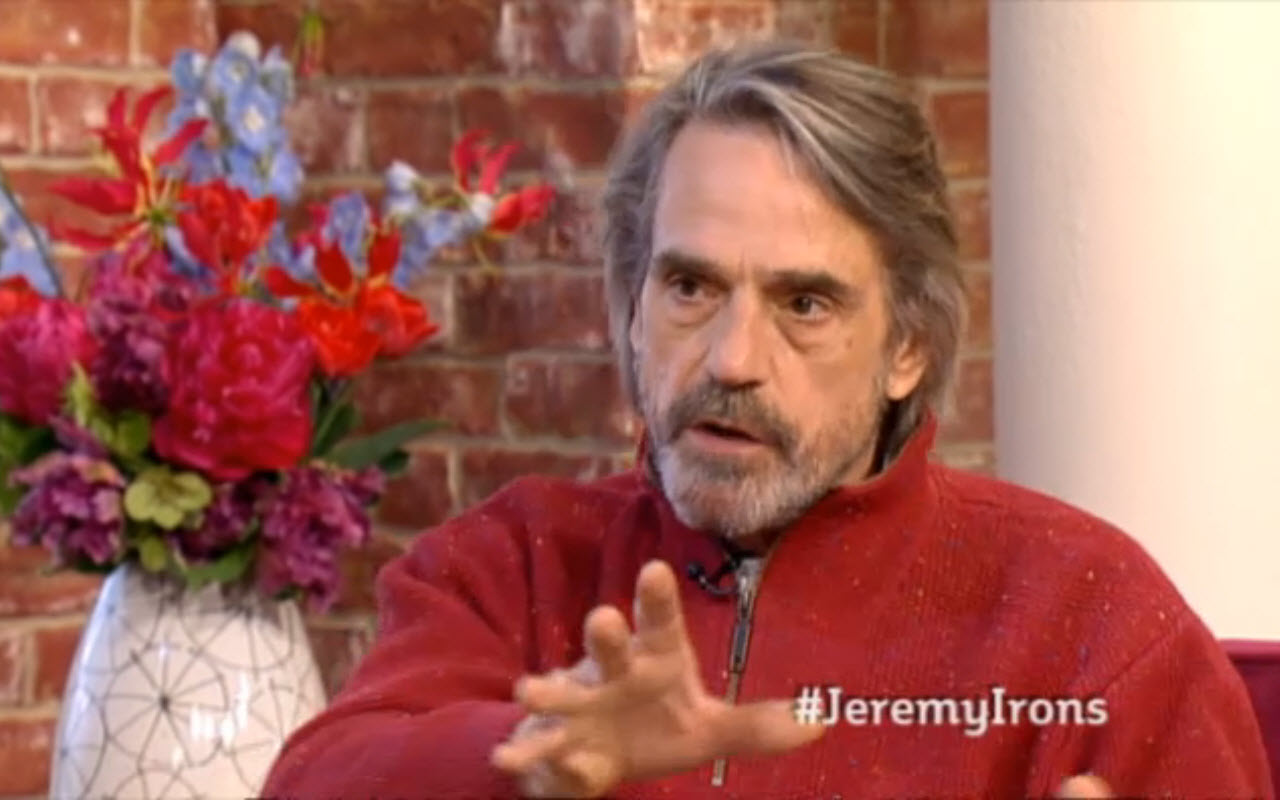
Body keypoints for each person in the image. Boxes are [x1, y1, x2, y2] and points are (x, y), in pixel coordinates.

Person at [261, 40, 1270, 798]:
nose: (732, 359)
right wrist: (528, 758)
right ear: (631, 305)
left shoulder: (1089, 621)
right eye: (691, 287)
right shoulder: (510, 565)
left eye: (805, 303)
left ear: (907, 348)